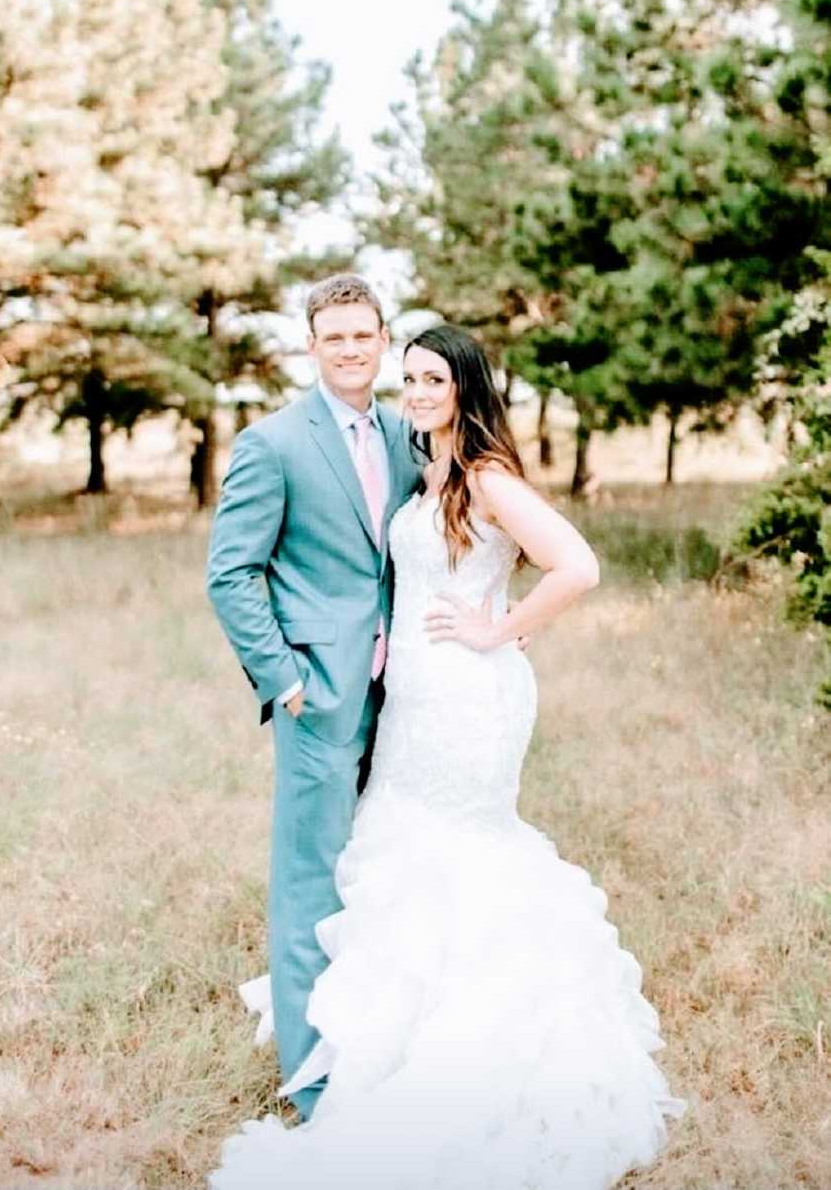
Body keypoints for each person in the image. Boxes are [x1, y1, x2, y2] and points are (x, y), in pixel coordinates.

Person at [209, 321, 686, 1190]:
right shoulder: (422, 464)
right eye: (412, 379)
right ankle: (386, 1039)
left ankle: (473, 1049)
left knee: (460, 853)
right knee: (395, 849)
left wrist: (499, 629)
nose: (420, 393)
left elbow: (577, 565)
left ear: (467, 386)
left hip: (469, 697)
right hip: (412, 701)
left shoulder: (488, 474)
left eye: (436, 379)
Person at [206, 274, 424, 1122]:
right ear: (312, 345)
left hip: (405, 695)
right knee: (312, 883)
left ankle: (378, 1035)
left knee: (386, 871)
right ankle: (312, 1077)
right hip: (319, 697)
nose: (349, 349)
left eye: (363, 335)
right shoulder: (273, 442)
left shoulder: (410, 434)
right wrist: (286, 678)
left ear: (383, 339)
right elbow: (231, 573)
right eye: (333, 337)